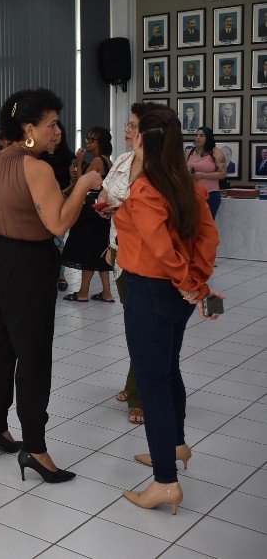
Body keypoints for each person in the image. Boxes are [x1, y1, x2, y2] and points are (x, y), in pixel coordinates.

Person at [0, 88, 102, 483]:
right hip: (26, 268)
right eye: (52, 124)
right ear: (29, 129)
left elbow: (24, 207)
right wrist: (85, 184)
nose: (58, 131)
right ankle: (35, 447)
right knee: (32, 358)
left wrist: (67, 191)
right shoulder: (37, 167)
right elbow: (58, 223)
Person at [116, 107, 222, 514]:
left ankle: (164, 481)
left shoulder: (147, 189)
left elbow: (160, 248)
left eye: (134, 129)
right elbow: (208, 238)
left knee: (153, 384)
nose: (129, 134)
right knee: (169, 370)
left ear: (145, 140)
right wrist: (197, 281)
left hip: (151, 291)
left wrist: (189, 283)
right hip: (176, 295)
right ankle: (174, 446)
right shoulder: (187, 185)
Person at [97, 103, 157, 426]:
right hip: (120, 252)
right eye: (128, 124)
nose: (126, 130)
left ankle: (140, 395)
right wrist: (105, 206)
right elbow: (105, 193)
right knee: (133, 322)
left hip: (149, 256)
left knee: (144, 326)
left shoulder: (161, 169)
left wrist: (120, 210)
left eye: (133, 126)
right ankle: (136, 382)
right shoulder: (122, 161)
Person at [62, 127, 115, 304]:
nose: (88, 143)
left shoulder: (98, 161)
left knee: (88, 252)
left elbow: (82, 184)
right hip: (100, 213)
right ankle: (107, 292)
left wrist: (78, 161)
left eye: (92, 140)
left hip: (91, 213)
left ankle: (83, 292)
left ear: (100, 143)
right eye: (87, 139)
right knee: (100, 252)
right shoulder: (108, 161)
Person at [40, 120, 74, 291]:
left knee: (58, 240)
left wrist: (63, 193)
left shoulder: (68, 157)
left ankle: (61, 273)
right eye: (54, 133)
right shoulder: (39, 156)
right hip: (41, 202)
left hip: (61, 201)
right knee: (43, 240)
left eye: (59, 134)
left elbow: (74, 182)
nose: (56, 137)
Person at [185, 128, 227, 218]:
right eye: (196, 135)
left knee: (207, 223)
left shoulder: (216, 153)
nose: (198, 138)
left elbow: (222, 174)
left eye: (201, 136)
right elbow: (182, 169)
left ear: (208, 138)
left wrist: (201, 175)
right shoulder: (189, 152)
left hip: (210, 195)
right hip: (191, 193)